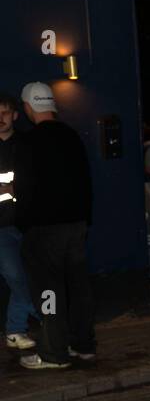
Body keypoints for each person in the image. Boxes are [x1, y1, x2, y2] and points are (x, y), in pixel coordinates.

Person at [13, 82, 95, 370]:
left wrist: (23, 222)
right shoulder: (72, 136)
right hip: (76, 225)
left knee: (48, 291)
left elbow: (23, 188)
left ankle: (53, 352)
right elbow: (85, 180)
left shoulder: (29, 142)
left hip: (45, 228)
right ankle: (83, 345)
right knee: (77, 287)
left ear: (27, 107)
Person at [0, 94, 37, 349]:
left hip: (28, 223)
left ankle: (15, 330)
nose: (0, 118)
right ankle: (49, 318)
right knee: (15, 276)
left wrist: (20, 189)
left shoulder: (28, 144)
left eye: (4, 112)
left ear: (14, 114)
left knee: (26, 276)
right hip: (1, 227)